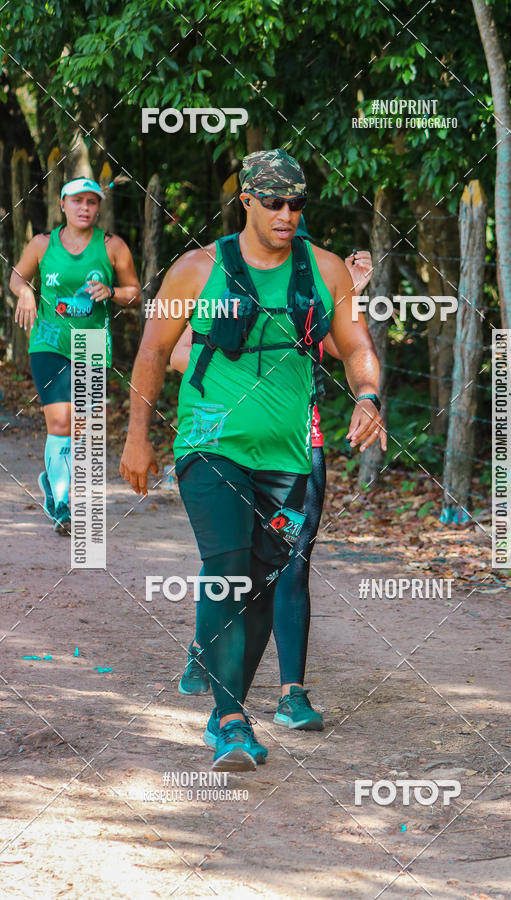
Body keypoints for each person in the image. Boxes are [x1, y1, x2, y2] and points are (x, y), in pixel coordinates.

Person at [120, 148, 386, 772]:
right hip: (209, 443)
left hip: (290, 455)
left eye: (297, 203)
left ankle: (226, 708)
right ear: (247, 201)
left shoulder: (324, 270)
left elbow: (356, 346)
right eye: (274, 203)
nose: (287, 214)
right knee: (228, 563)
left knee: (268, 577)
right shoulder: (195, 269)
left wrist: (368, 395)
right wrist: (137, 437)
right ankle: (232, 721)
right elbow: (153, 353)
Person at [171, 220, 373, 734]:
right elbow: (176, 352)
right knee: (229, 560)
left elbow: (343, 348)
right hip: (227, 444)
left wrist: (341, 298)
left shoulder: (315, 282)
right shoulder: (219, 278)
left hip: (301, 447)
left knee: (291, 565)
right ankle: (211, 660)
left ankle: (292, 693)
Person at [11, 176, 141, 534]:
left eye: (92, 202)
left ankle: (53, 482)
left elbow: (135, 294)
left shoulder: (113, 246)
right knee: (60, 424)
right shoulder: (42, 244)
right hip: (49, 343)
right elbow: (16, 277)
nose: (85, 208)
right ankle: (64, 506)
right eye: (77, 201)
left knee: (82, 429)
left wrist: (112, 291)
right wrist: (24, 292)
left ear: (99, 207)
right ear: (62, 205)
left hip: (93, 345)